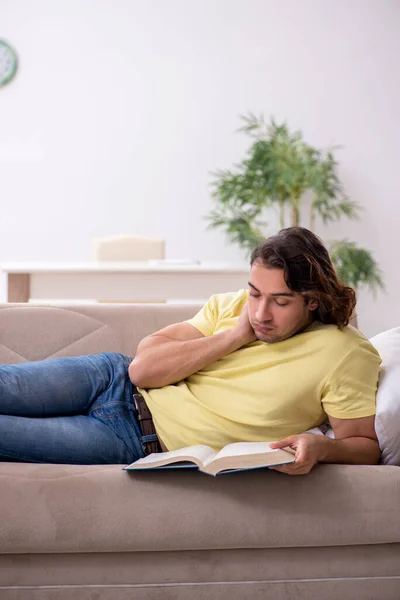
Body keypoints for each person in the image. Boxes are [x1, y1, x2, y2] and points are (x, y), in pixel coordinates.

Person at [0, 227, 381, 475]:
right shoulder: (233, 309)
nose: (260, 313)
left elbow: (365, 446)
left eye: (280, 302)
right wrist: (234, 336)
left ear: (312, 300)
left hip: (132, 438)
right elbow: (142, 370)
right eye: (254, 293)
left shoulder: (345, 354)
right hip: (110, 376)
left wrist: (321, 447)